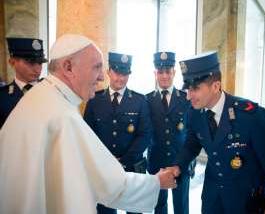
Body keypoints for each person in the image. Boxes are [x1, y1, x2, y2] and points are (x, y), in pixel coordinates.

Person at [0, 34, 177, 214]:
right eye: (96, 67)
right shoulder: (60, 114)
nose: (101, 77)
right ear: (68, 67)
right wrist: (156, 182)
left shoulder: (45, 97)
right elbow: (108, 182)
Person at [165, 52, 265, 214]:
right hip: (212, 199)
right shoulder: (194, 114)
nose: (188, 96)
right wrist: (177, 166)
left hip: (245, 202)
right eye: (187, 89)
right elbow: (191, 145)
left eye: (195, 89)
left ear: (216, 86)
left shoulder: (252, 116)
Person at [83, 52, 152, 214]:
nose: (120, 78)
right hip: (103, 168)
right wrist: (106, 160)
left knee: (134, 210)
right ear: (108, 72)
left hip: (131, 167)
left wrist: (125, 160)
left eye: (125, 74)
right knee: (106, 209)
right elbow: (87, 134)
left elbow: (145, 134)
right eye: (117, 73)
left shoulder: (139, 101)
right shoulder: (94, 100)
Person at [146, 52, 195, 214]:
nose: (164, 76)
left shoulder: (186, 99)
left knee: (181, 205)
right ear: (155, 73)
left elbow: (192, 132)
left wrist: (189, 161)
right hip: (156, 163)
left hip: (180, 162)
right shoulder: (147, 100)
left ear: (174, 72)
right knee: (159, 206)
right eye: (160, 71)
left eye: (168, 71)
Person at [0, 37, 47, 128]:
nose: (37, 69)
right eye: (31, 63)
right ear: (12, 62)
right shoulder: (2, 97)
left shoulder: (52, 91)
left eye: (40, 63)